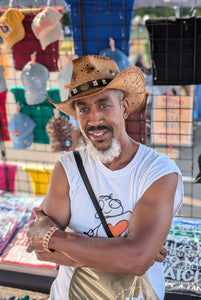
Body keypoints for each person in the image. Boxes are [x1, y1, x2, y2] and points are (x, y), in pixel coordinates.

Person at [26, 55, 184, 300]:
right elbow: (41, 252)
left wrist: (55, 237)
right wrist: (125, 255)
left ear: (123, 108)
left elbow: (137, 260)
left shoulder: (158, 172)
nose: (94, 119)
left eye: (103, 105)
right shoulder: (68, 167)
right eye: (83, 109)